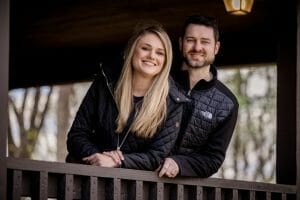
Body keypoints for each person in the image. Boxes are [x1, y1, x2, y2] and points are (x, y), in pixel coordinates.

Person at [66, 22, 188, 171]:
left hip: (134, 189)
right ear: (131, 52)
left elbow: (157, 156)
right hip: (88, 177)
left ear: (165, 61)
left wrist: (118, 161)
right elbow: (77, 135)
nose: (151, 56)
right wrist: (99, 157)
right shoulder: (105, 83)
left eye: (160, 53)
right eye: (145, 48)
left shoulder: (174, 102)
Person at [159, 15, 239, 178]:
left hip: (183, 189)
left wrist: (178, 164)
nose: (197, 47)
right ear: (181, 43)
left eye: (205, 41)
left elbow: (213, 159)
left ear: (216, 47)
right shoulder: (158, 81)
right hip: (138, 176)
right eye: (191, 40)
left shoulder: (227, 103)